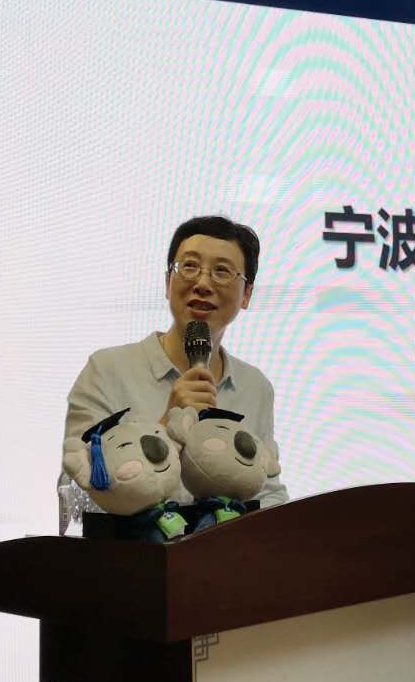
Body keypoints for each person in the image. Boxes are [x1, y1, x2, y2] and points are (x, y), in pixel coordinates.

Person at [62, 215, 289, 512]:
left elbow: (267, 493)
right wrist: (164, 429)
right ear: (168, 282)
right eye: (190, 266)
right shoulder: (107, 370)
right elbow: (77, 497)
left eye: (222, 271)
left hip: (224, 542)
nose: (203, 283)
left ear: (247, 294)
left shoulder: (255, 387)